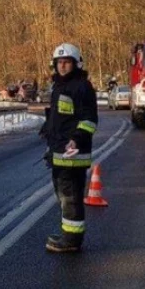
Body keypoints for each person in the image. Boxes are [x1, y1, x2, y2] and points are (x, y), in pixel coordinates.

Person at [40, 43, 98, 253]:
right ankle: (69, 235)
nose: (63, 67)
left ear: (76, 64)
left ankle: (72, 240)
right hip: (59, 152)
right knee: (64, 195)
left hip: (73, 153)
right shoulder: (59, 87)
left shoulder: (81, 87)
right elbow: (60, 118)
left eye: (67, 63)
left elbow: (89, 120)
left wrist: (76, 139)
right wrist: (47, 130)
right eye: (60, 63)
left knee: (70, 196)